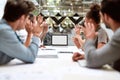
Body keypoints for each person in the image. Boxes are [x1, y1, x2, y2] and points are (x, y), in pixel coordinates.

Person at [0, 0, 48, 64]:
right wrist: (35, 34)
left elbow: (23, 50)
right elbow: (30, 57)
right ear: (22, 18)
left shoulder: (7, 29)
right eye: (27, 17)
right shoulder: (4, 31)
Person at [81, 0, 120, 71]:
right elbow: (110, 56)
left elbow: (92, 60)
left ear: (106, 16)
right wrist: (85, 56)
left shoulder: (118, 36)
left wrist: (90, 39)